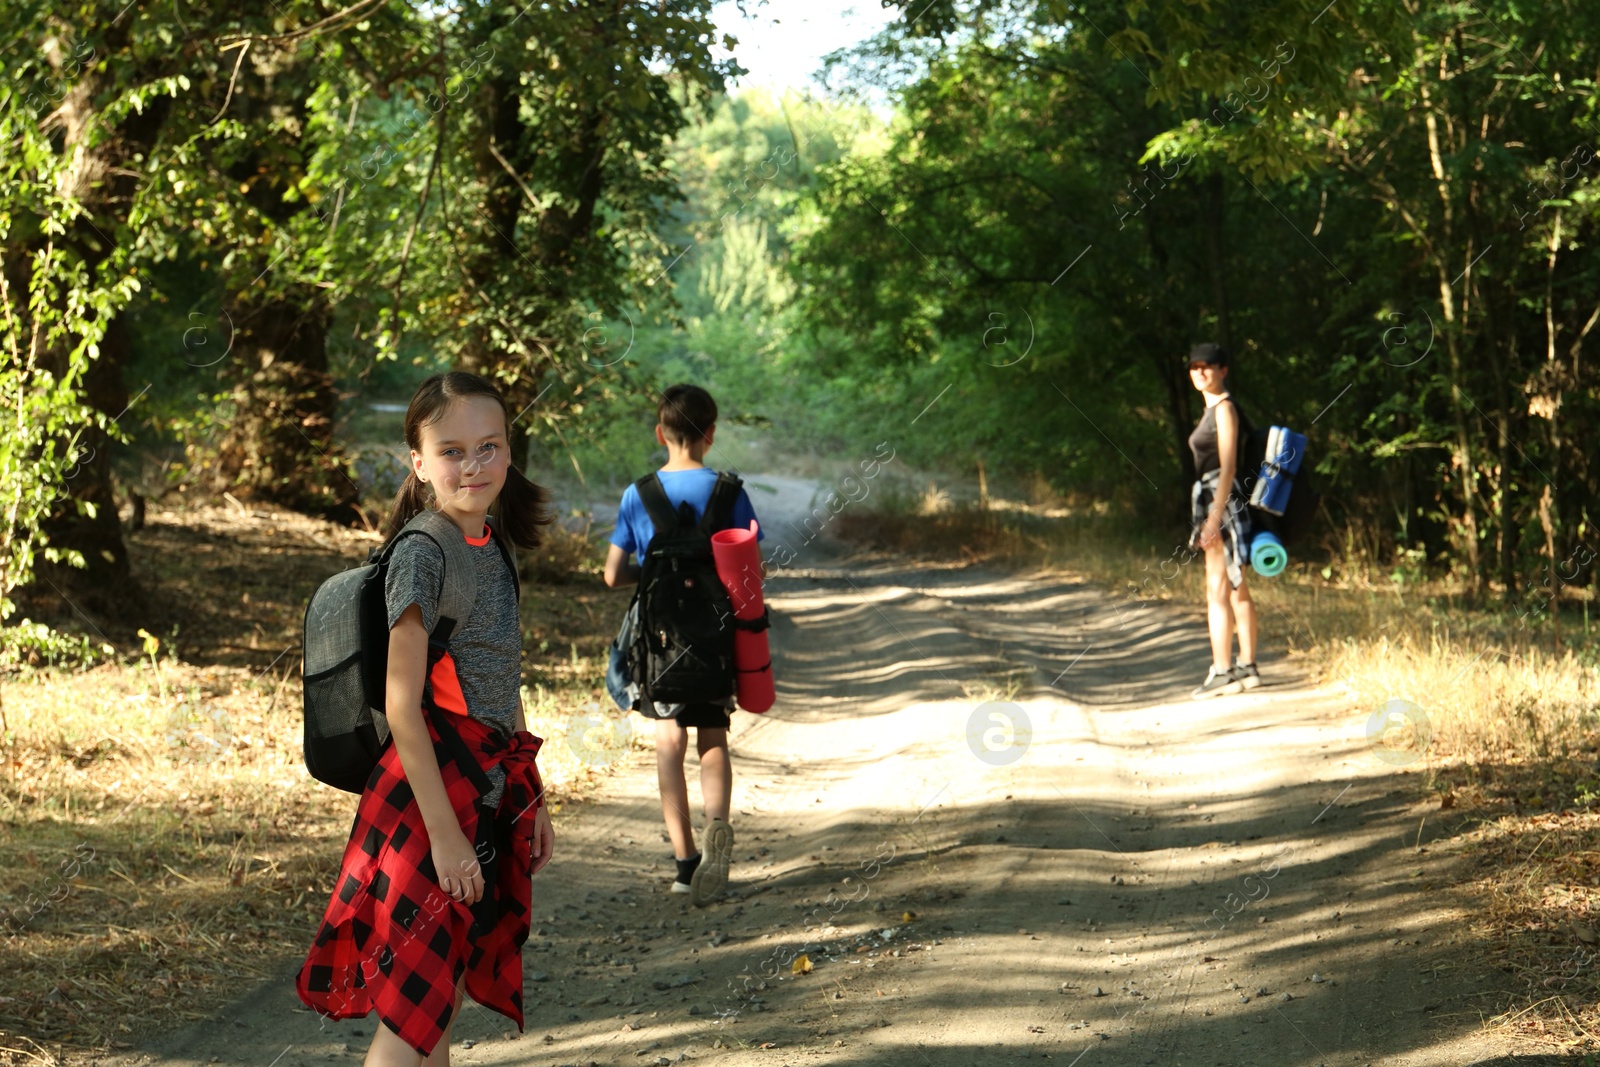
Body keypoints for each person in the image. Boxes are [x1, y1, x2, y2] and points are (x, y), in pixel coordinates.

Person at [297, 371, 556, 1064]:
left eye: (489, 446)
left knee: (436, 1000)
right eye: (451, 451)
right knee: (412, 1014)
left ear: (508, 450)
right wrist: (446, 838)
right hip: (427, 803)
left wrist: (534, 791)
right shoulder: (423, 554)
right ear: (419, 462)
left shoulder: (490, 542)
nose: (473, 464)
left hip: (481, 789)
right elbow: (401, 704)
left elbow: (502, 679)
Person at [603, 384, 763, 906]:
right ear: (710, 435)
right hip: (713, 640)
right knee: (713, 737)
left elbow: (611, 576)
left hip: (659, 643)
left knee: (669, 744)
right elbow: (747, 574)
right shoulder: (729, 492)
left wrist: (651, 568)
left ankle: (685, 863)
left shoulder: (639, 493)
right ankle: (719, 831)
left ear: (660, 433)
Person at [1185, 343, 1263, 699]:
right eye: (1194, 367)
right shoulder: (1217, 408)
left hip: (1223, 503)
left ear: (1223, 369)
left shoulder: (1224, 408)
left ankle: (1223, 671)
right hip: (1223, 502)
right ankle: (1247, 668)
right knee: (1234, 588)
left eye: (1208, 366)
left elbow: (1228, 467)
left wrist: (1213, 518)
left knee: (1218, 590)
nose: (1200, 372)